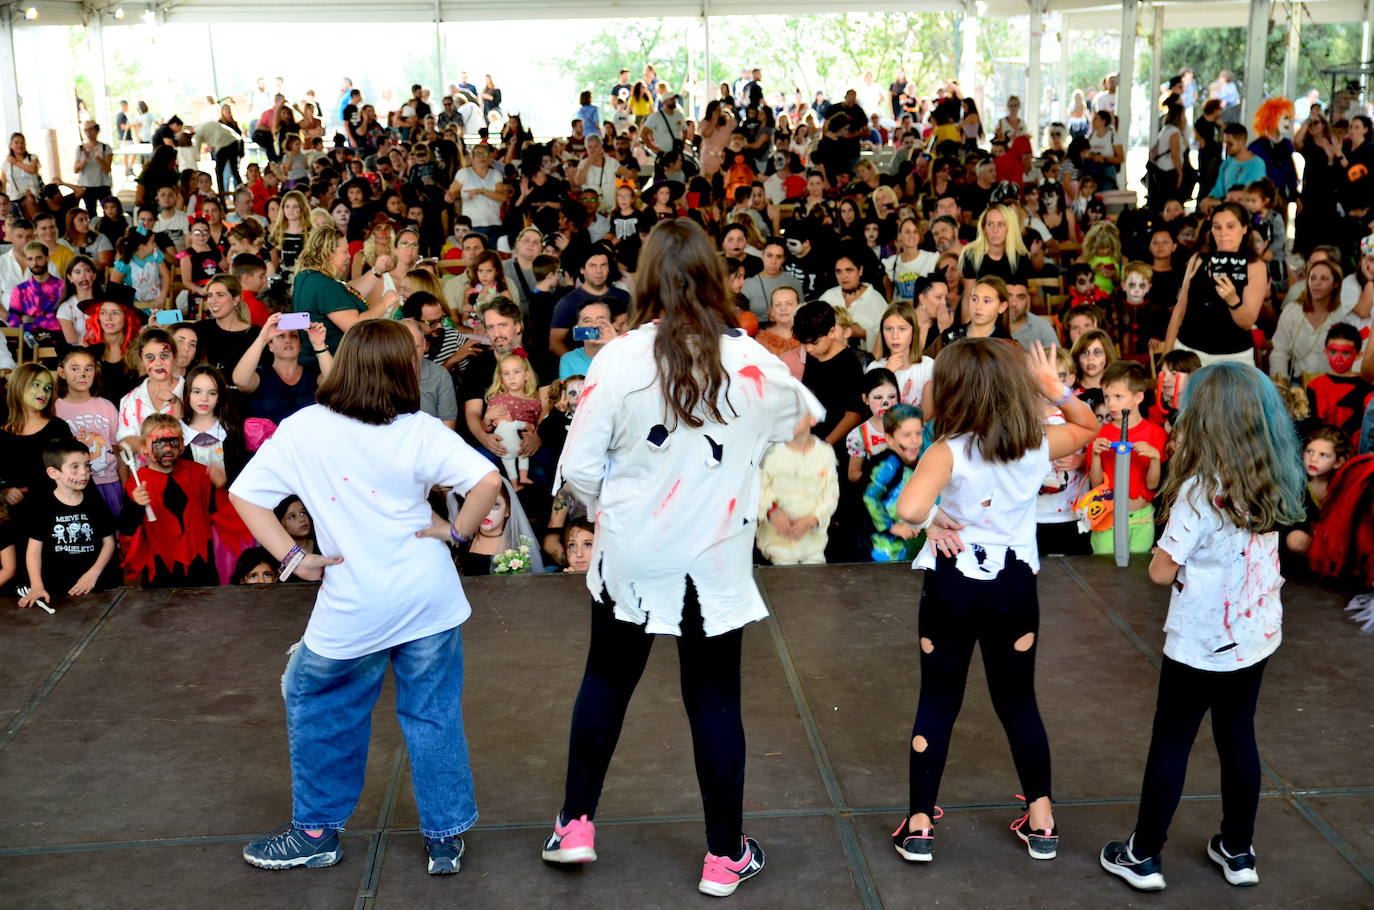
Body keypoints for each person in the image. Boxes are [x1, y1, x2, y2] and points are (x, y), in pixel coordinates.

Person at [544, 219, 821, 897]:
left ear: (643, 279)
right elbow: (803, 417)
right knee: (714, 698)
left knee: (606, 681)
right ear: (714, 275)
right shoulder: (749, 359)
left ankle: (575, 826)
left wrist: (624, 490)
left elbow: (577, 470)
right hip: (713, 557)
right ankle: (725, 856)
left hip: (633, 554)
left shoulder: (616, 358)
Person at [231, 319, 502, 875]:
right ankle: (445, 840)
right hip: (429, 596)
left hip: (356, 598)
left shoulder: (306, 427)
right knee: (433, 715)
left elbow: (246, 495)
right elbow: (488, 482)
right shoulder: (420, 428)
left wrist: (292, 559)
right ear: (403, 370)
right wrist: (455, 534)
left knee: (320, 704)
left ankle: (315, 832)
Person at [891, 338, 1098, 864]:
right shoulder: (1033, 445)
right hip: (1014, 590)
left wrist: (934, 517)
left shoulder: (945, 451)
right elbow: (1088, 427)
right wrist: (1058, 390)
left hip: (952, 589)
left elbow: (910, 510)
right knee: (1018, 702)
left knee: (938, 700)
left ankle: (919, 825)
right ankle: (1043, 819)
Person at [1101, 363, 1304, 893]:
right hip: (1255, 636)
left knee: (1172, 739)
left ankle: (1143, 854)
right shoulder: (1271, 479)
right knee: (1238, 736)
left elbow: (1160, 569)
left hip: (1199, 642)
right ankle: (1238, 850)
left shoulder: (1198, 492)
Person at [1160, 203, 1266, 366]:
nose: (1223, 233)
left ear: (1244, 228)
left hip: (1233, 357)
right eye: (1217, 227)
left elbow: (1247, 322)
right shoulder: (1198, 259)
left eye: (1230, 226)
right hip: (1189, 352)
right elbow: (1180, 309)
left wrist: (1232, 300)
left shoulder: (1255, 266)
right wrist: (1167, 356)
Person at [17, 439, 118, 609]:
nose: (84, 473)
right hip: (57, 590)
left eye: (87, 466)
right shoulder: (43, 506)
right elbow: (33, 551)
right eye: (75, 467)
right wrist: (36, 586)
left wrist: (93, 573)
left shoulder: (95, 502)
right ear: (53, 473)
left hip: (93, 586)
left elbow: (109, 542)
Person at [1088, 361, 1168, 555]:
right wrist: (1096, 455)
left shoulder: (1155, 433)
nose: (1111, 404)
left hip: (1142, 518)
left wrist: (1155, 458)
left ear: (1138, 397)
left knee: (1138, 575)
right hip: (1107, 518)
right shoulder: (1099, 434)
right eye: (1107, 397)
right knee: (1104, 573)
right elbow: (1096, 483)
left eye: (1118, 396)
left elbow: (1152, 485)